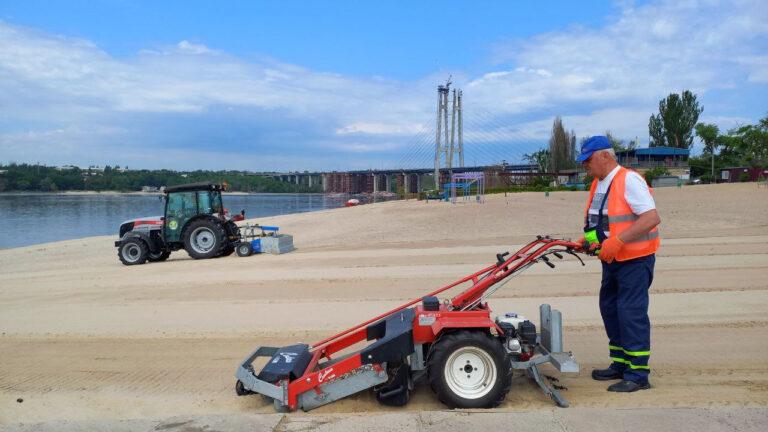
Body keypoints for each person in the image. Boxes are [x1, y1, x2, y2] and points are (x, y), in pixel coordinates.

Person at [576, 136, 661, 392]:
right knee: (610, 309)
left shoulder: (629, 180)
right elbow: (601, 221)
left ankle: (637, 374)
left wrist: (619, 241)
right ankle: (620, 364)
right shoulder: (598, 184)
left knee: (630, 313)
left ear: (605, 156)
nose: (585, 166)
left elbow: (651, 218)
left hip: (634, 260)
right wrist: (589, 239)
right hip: (611, 260)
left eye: (588, 160)